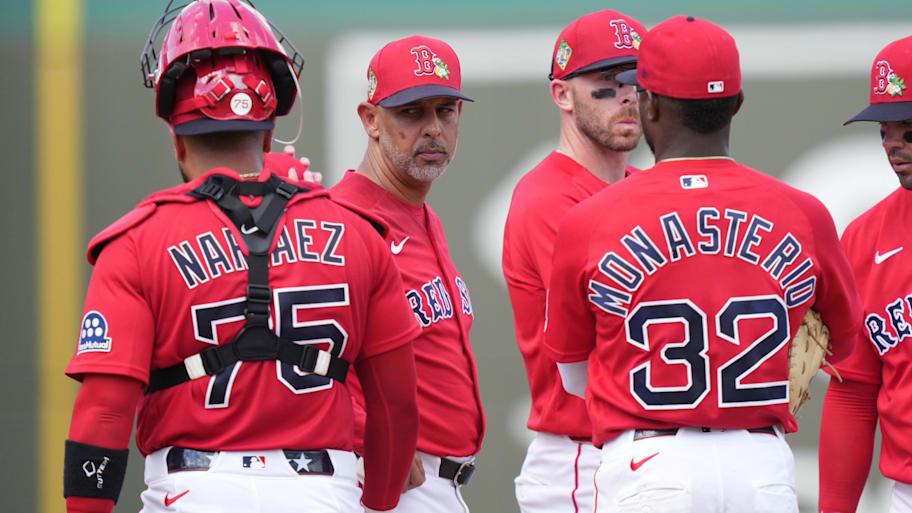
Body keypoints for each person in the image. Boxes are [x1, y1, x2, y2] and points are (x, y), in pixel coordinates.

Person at [62, 2, 419, 513]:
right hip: (323, 491)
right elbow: (397, 406)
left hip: (192, 491)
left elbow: (104, 412)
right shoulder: (360, 234)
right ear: (271, 131)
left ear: (175, 136)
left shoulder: (137, 240)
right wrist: (379, 504)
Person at [543, 15, 863, 512]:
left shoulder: (589, 220)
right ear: (736, 104)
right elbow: (844, 343)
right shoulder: (804, 213)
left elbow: (572, 375)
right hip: (762, 466)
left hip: (649, 464)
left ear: (648, 105)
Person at [329, 34, 484, 513]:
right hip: (388, 487)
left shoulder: (421, 214)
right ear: (371, 120)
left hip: (441, 484)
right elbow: (299, 355)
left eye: (445, 111)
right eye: (412, 113)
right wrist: (369, 433)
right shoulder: (344, 221)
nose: (433, 128)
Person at [501, 9, 645, 513]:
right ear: (563, 94)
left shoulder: (643, 189)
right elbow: (617, 326)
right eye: (607, 82)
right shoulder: (548, 196)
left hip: (638, 452)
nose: (628, 96)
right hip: (582, 460)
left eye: (639, 80)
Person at [818, 35, 912, 513]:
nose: (894, 145)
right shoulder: (864, 237)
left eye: (908, 129)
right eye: (883, 131)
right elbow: (853, 392)